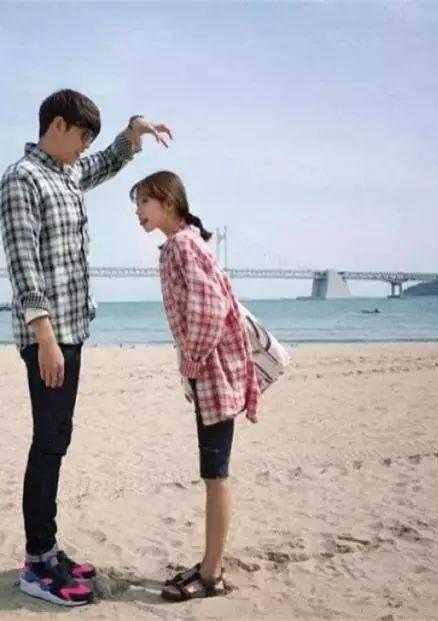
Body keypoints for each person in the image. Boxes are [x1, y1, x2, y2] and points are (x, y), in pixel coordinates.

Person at [0, 89, 172, 607]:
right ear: (57, 126)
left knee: (58, 439)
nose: (86, 146)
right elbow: (23, 264)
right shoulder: (22, 179)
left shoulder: (67, 172)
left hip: (73, 330)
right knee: (47, 442)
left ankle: (48, 551)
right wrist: (44, 338)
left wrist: (133, 133)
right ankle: (37, 564)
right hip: (48, 337)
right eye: (82, 135)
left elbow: (105, 163)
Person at [130, 170, 260, 601]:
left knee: (215, 473)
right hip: (218, 371)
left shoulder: (180, 247)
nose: (138, 212)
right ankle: (211, 566)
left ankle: (211, 573)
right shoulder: (188, 241)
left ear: (167, 203)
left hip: (213, 375)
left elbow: (209, 308)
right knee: (215, 471)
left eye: (144, 202)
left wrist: (191, 360)